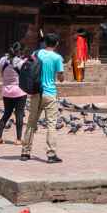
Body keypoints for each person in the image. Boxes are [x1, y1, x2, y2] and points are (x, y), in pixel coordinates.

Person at [21, 33, 65, 163]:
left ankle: (25, 152)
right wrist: (61, 76)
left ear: (45, 43)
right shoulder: (57, 57)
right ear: (56, 44)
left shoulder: (36, 53)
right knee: (51, 124)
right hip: (50, 93)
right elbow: (61, 78)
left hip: (36, 92)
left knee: (31, 123)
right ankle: (51, 154)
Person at [0, 45, 28, 145]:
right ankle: (18, 139)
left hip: (6, 90)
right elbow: (24, 75)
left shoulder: (2, 60)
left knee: (6, 113)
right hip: (19, 91)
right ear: (19, 52)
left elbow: (1, 73)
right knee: (19, 114)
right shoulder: (20, 62)